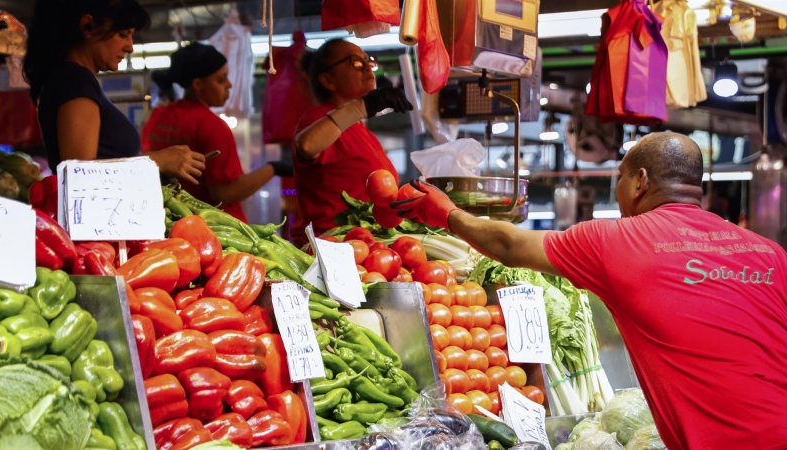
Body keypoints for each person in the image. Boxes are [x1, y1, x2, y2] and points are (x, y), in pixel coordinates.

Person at [393, 132, 787, 450]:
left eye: (619, 176)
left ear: (640, 181)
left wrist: (446, 212)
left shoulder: (618, 241)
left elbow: (509, 246)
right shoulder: (769, 252)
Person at [23, 0, 205, 183]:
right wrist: (157, 161)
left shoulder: (74, 79)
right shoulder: (74, 81)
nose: (130, 46)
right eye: (123, 34)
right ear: (88, 27)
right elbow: (79, 173)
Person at [142, 43, 291, 223]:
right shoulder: (211, 125)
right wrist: (274, 168)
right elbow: (225, 192)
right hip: (216, 229)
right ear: (198, 84)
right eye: (221, 80)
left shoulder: (158, 116)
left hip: (173, 222)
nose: (229, 85)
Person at [291, 38, 413, 246]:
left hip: (362, 248)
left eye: (368, 60)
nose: (367, 67)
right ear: (328, 80)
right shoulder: (318, 118)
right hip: (330, 249)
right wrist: (362, 106)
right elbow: (307, 145)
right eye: (355, 62)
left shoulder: (361, 130)